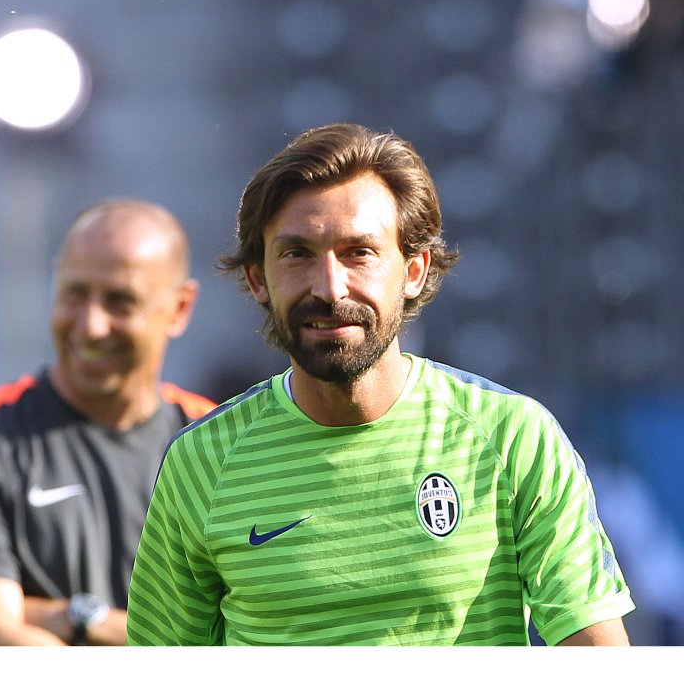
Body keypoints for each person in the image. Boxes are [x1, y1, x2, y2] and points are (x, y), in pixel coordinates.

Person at [126, 123, 635, 646]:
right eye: (297, 254)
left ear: (414, 271)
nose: (329, 288)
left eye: (358, 252)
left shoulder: (513, 437)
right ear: (259, 279)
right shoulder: (200, 462)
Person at [0, 198, 216, 645]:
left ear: (180, 308)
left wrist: (77, 619)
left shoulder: (224, 444)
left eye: (120, 301)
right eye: (75, 293)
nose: (91, 325)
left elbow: (259, 641)